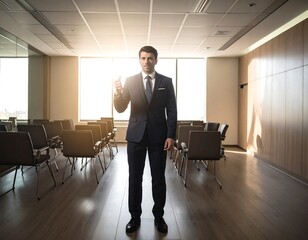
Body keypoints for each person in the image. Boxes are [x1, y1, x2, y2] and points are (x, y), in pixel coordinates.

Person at [114, 46, 177, 234]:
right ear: (139, 60)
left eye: (150, 58)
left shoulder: (166, 81)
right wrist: (117, 93)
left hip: (159, 137)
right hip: (136, 136)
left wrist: (171, 135)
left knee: (158, 178)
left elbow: (172, 110)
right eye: (143, 58)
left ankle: (159, 216)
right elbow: (120, 108)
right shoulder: (131, 81)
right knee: (135, 178)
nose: (146, 62)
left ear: (156, 60)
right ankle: (135, 217)